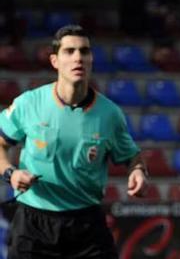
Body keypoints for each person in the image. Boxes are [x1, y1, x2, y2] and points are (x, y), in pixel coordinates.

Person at [0, 24, 147, 259]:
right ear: (54, 61)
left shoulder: (109, 114)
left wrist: (138, 171)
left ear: (91, 59)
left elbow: (132, 157)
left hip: (87, 225)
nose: (78, 57)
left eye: (84, 51)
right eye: (69, 51)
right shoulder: (29, 104)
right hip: (33, 223)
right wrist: (11, 174)